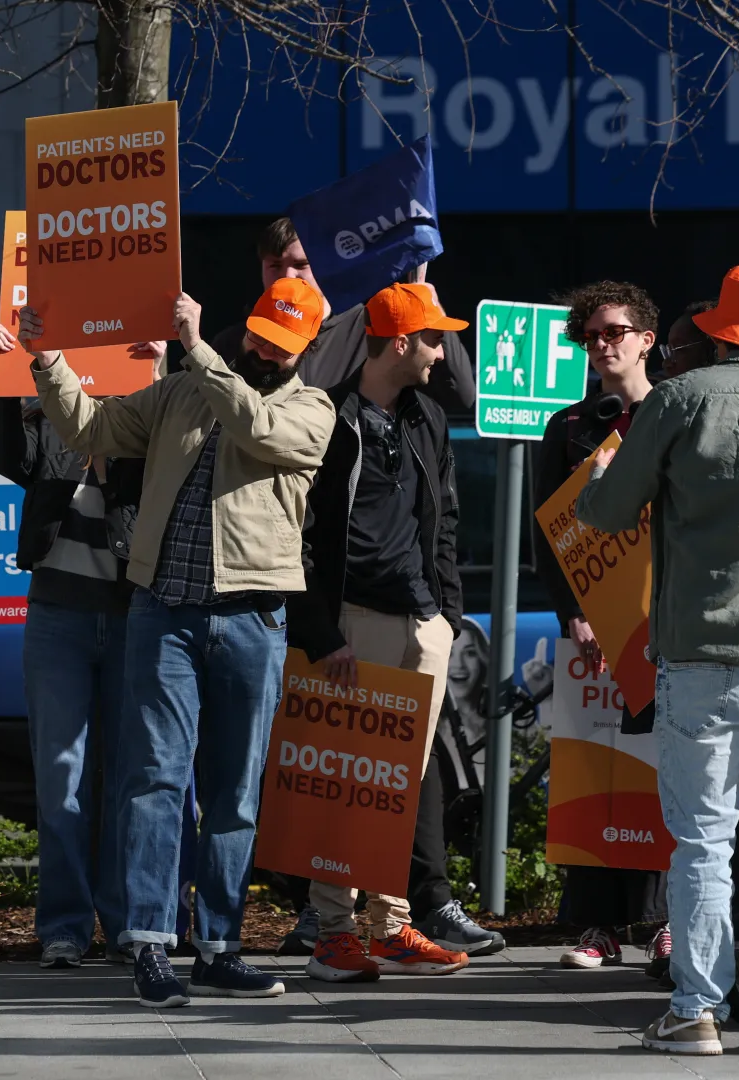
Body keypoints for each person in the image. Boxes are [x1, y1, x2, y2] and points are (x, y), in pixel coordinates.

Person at [18, 279, 336, 1008]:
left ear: (305, 351)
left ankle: (220, 947)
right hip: (165, 613)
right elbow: (93, 431)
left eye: (279, 346)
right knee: (154, 782)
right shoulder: (181, 393)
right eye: (257, 335)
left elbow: (256, 427)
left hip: (254, 619)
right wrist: (51, 358)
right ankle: (151, 945)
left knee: (234, 791)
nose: (261, 350)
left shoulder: (312, 410)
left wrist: (195, 352)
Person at [575, 263, 739, 1056]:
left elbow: (605, 513)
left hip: (699, 652)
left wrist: (602, 473)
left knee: (702, 842)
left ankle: (696, 1010)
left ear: (722, 326)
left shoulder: (677, 399)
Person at [289, 283, 494, 982]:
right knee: (344, 780)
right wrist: (321, 631)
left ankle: (392, 926)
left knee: (397, 781)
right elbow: (304, 535)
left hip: (421, 622)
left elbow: (446, 519)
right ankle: (334, 932)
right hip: (353, 624)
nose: (444, 352)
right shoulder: (328, 415)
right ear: (400, 342)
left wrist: (448, 614)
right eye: (435, 339)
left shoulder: (426, 418)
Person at [0, 321, 159, 968]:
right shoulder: (50, 391)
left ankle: (127, 923)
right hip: (59, 609)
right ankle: (64, 925)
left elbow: (181, 457)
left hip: (134, 612)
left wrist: (163, 369)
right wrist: (4, 382)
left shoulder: (147, 392)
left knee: (127, 777)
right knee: (61, 778)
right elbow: (8, 458)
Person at [529, 281, 668, 972]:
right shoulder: (567, 429)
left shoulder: (675, 415)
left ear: (646, 338)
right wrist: (574, 615)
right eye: (591, 336)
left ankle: (662, 922)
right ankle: (595, 927)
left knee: (661, 773)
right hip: (591, 632)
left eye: (615, 332)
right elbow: (548, 536)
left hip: (661, 628)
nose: (603, 345)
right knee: (595, 768)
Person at [210, 218, 476, 414]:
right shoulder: (235, 342)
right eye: (275, 266)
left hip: (350, 485)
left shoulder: (371, 325)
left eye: (302, 265)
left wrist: (430, 312)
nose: (287, 276)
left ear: (328, 267)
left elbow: (459, 395)